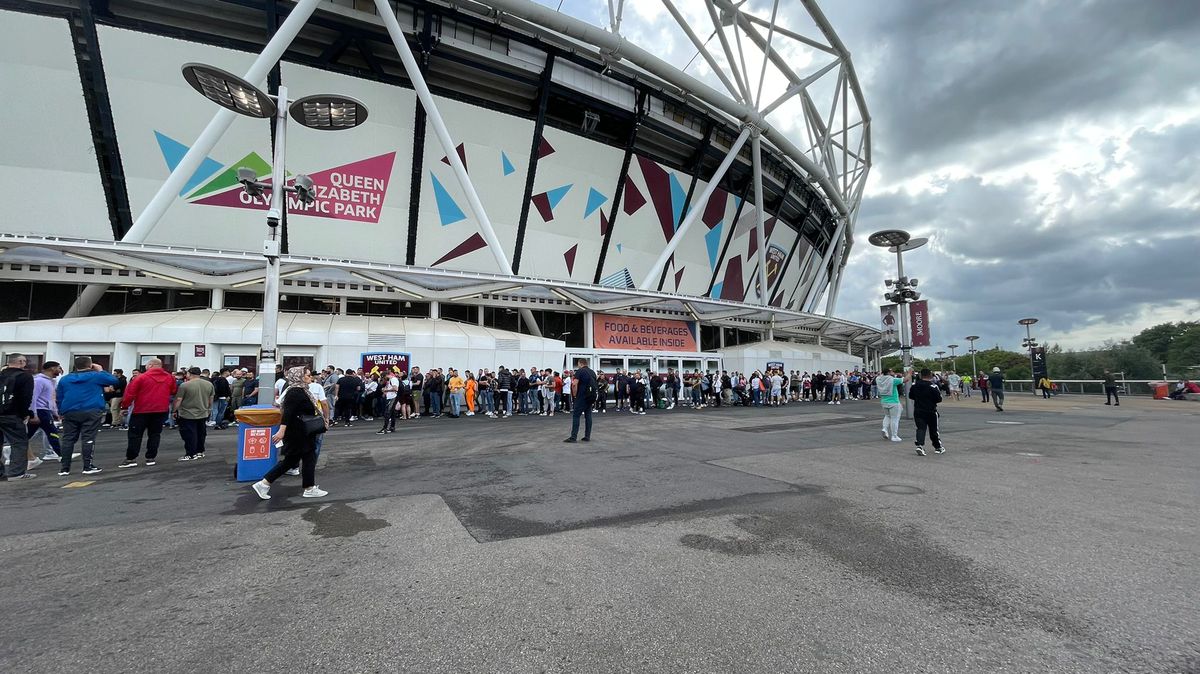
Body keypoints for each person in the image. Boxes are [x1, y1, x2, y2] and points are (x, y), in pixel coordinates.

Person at [251, 367, 327, 500]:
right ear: (299, 377)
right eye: (308, 375)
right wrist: (281, 431)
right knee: (302, 458)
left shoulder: (300, 390)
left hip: (300, 431)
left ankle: (265, 484)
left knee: (294, 459)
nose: (311, 378)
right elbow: (287, 413)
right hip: (297, 432)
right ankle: (309, 488)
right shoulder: (296, 392)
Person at [54, 356, 118, 476]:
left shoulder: (65, 379)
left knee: (68, 439)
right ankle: (87, 466)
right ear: (90, 365)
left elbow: (60, 397)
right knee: (88, 438)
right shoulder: (96, 376)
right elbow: (113, 380)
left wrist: (60, 411)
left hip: (70, 410)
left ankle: (65, 468)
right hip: (91, 409)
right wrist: (100, 369)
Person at [118, 358, 178, 468]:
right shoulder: (169, 377)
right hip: (161, 409)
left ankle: (131, 458)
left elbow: (130, 393)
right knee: (155, 434)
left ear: (150, 365)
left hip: (142, 409)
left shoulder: (141, 377)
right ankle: (151, 457)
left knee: (135, 435)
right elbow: (173, 391)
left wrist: (124, 407)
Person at [1, 353, 37, 480]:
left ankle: (1, 473)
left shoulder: (1, 374)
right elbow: (25, 397)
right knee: (19, 443)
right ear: (21, 362)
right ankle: (16, 472)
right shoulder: (24, 377)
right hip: (12, 414)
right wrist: (25, 414)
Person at [175, 367, 214, 461]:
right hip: (203, 412)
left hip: (187, 413)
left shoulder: (185, 385)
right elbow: (211, 398)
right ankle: (200, 451)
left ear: (190, 374)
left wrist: (174, 410)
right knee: (201, 433)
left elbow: (179, 399)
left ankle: (191, 454)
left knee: (189, 434)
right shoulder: (209, 384)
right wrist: (208, 409)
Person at [29, 361, 63, 461]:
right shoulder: (39, 381)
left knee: (28, 435)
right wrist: (33, 414)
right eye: (58, 367)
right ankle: (60, 454)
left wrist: (55, 412)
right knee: (52, 432)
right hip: (40, 410)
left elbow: (51, 399)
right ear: (52, 368)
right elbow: (33, 398)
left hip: (45, 410)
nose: (60, 370)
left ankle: (9, 450)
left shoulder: (51, 381)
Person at [908, 368, 945, 456]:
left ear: (921, 375)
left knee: (920, 428)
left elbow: (911, 396)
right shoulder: (933, 386)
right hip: (931, 410)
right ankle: (938, 447)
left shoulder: (914, 385)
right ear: (930, 375)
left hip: (918, 410)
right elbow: (939, 399)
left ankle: (920, 445)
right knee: (934, 430)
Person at [564, 359, 597, 443]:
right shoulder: (592, 372)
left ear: (580, 364)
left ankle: (573, 437)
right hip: (590, 397)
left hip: (581, 397)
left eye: (578, 364)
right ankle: (587, 436)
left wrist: (574, 395)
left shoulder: (580, 371)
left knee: (576, 416)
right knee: (588, 416)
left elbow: (574, 384)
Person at [876, 367, 905, 443]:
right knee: (895, 418)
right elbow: (905, 380)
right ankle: (894, 436)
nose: (893, 372)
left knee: (887, 416)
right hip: (893, 401)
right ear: (889, 372)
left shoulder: (878, 379)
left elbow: (881, 376)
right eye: (891, 371)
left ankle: (885, 428)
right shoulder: (892, 380)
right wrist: (909, 372)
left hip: (884, 401)